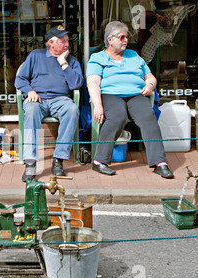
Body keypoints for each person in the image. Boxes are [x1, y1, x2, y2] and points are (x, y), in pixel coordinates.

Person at [86, 21, 173, 179]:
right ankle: (99, 161)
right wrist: (98, 105)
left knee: (148, 116)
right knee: (118, 116)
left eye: (127, 36)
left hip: (136, 94)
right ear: (110, 39)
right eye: (122, 37)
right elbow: (92, 82)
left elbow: (150, 77)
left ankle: (160, 163)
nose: (126, 39)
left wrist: (150, 85)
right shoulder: (97, 58)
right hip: (111, 94)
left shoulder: (133, 55)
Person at [15, 25, 84, 182]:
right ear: (51, 43)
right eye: (63, 41)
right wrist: (30, 91)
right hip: (37, 99)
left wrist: (63, 63)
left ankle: (58, 160)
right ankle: (30, 163)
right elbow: (20, 79)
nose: (67, 44)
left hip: (61, 100)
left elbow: (76, 84)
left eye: (67, 41)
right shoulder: (36, 56)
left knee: (72, 110)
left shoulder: (71, 61)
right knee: (31, 110)